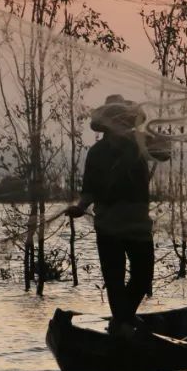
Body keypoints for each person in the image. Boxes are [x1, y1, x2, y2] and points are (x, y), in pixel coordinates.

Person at [65, 95, 168, 327]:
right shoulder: (97, 153)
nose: (121, 124)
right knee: (114, 280)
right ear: (107, 124)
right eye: (117, 120)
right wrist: (80, 208)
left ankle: (121, 321)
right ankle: (123, 323)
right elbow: (89, 190)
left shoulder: (140, 145)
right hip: (108, 226)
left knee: (143, 278)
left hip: (139, 225)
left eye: (125, 119)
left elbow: (164, 154)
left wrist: (158, 139)